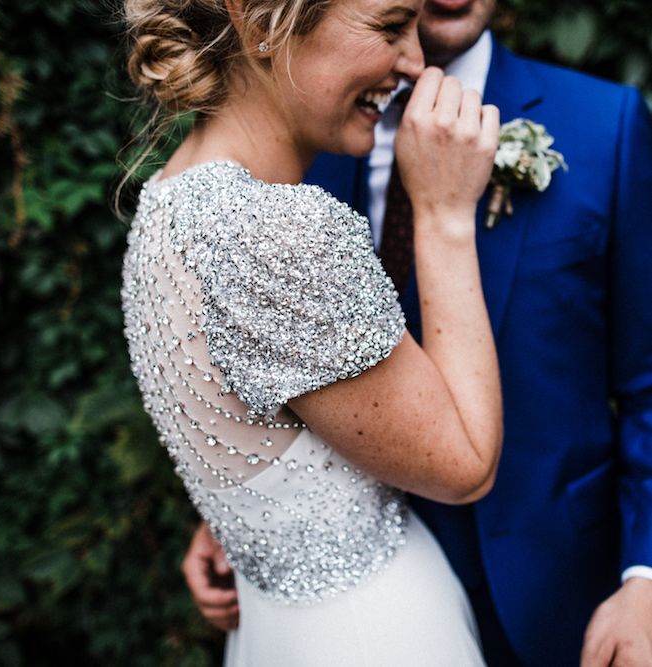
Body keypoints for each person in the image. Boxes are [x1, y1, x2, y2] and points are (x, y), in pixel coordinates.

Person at [182, 0, 652, 664]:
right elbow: (274, 353)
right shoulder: (305, 133)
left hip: (560, 590)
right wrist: (246, 510)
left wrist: (645, 577)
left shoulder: (605, 125)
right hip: (367, 612)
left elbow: (647, 385)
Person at [121, 0, 507, 663]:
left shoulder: (165, 197)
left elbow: (255, 443)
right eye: (389, 26)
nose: (415, 60)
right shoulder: (273, 229)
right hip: (373, 632)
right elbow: (465, 464)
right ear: (258, 21)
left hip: (283, 624)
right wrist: (443, 214)